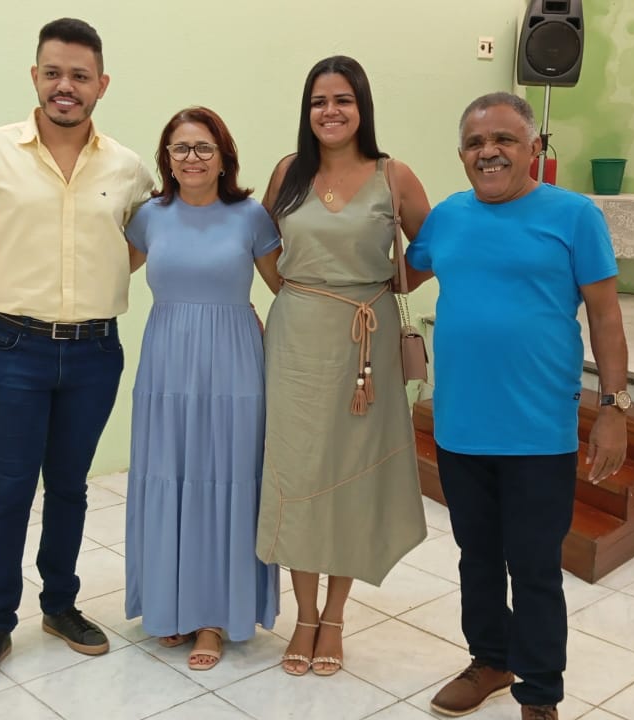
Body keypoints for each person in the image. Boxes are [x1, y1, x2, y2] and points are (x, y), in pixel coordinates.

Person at [0, 18, 153, 692]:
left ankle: (59, 605)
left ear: (101, 84)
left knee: (71, 487)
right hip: (14, 347)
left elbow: (142, 243)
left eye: (80, 76)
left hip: (95, 352)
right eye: (53, 73)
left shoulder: (127, 167)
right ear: (35, 76)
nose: (65, 86)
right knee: (9, 491)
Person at [406, 93, 629, 720]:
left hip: (539, 430)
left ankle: (540, 693)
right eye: (476, 143)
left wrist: (614, 408)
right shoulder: (447, 218)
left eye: (503, 139)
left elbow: (607, 317)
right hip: (460, 426)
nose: (489, 152)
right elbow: (398, 275)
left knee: (534, 568)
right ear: (461, 154)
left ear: (533, 147)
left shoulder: (574, 216)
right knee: (476, 559)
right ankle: (490, 660)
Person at [255, 55, 429, 678]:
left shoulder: (393, 175)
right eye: (318, 101)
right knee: (299, 471)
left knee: (352, 475)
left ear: (362, 107)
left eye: (343, 100)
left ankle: (335, 616)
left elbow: (431, 247)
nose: (330, 111)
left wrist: (384, 287)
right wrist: (301, 296)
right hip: (298, 341)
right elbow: (262, 244)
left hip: (367, 345)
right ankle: (304, 615)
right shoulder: (288, 172)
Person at [122, 106, 282, 671]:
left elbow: (286, 289)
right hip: (166, 362)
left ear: (223, 157)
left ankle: (214, 617)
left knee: (226, 479)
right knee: (168, 476)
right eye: (180, 148)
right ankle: (170, 604)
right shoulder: (149, 217)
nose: (192, 158)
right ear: (166, 158)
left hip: (234, 362)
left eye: (203, 148)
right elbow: (104, 273)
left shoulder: (251, 216)